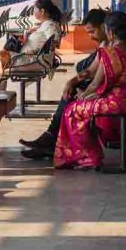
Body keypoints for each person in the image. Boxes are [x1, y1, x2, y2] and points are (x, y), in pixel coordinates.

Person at [53, 12, 126, 170]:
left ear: (110, 32)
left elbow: (94, 85)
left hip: (118, 104)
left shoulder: (110, 53)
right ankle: (90, 152)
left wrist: (83, 97)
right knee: (82, 106)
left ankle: (89, 156)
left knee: (71, 111)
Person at [19, 9, 109, 159]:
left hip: (107, 92)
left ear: (105, 27)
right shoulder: (108, 44)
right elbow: (92, 71)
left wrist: (84, 93)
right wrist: (72, 82)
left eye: (92, 32)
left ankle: (50, 139)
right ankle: (50, 140)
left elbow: (95, 75)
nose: (90, 37)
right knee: (71, 90)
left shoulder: (109, 48)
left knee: (70, 95)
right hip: (104, 87)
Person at [0, 0, 61, 91]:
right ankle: (1, 97)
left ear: (42, 11)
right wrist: (28, 33)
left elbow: (54, 42)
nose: (33, 11)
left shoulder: (49, 25)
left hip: (35, 60)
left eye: (35, 9)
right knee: (0, 64)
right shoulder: (43, 25)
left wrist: (36, 50)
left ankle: (0, 99)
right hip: (31, 59)